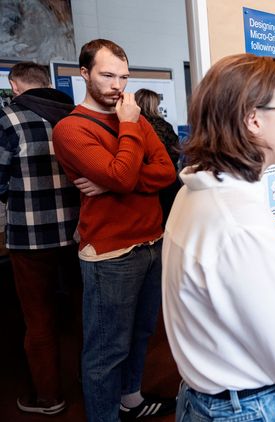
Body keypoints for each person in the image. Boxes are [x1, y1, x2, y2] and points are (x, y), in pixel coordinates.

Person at [161, 53, 275, 422]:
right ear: (253, 119)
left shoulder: (197, 193)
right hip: (254, 409)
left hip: (211, 400)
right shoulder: (239, 225)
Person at [52, 39, 177, 421]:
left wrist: (113, 179)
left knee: (141, 334)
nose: (117, 85)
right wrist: (125, 139)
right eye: (107, 75)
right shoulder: (70, 128)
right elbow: (126, 174)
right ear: (85, 73)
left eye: (124, 76)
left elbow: (167, 171)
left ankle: (131, 400)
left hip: (152, 242)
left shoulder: (136, 119)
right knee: (106, 350)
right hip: (110, 253)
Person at [0, 61, 80, 415]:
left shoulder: (8, 118)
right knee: (82, 313)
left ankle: (48, 398)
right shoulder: (75, 115)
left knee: (39, 319)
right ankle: (88, 381)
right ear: (46, 82)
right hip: (80, 232)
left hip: (30, 235)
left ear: (15, 86)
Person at [134, 88, 180, 226]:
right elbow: (175, 153)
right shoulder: (164, 126)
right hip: (167, 182)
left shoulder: (130, 125)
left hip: (141, 185)